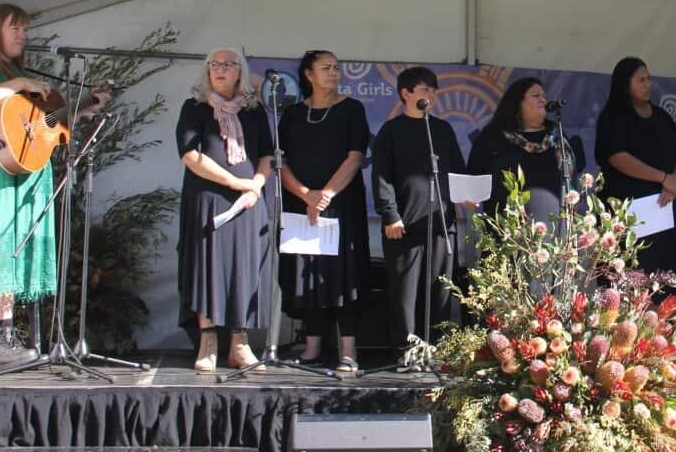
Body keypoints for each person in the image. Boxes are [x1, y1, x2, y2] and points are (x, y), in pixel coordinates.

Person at [0, 3, 109, 372]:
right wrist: (19, 84)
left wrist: (83, 109)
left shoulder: (16, 72)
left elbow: (40, 125)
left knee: (8, 251)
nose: (22, 35)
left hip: (17, 175)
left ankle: (5, 334)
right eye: (14, 27)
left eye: (24, 28)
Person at [176, 47, 273, 373]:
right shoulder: (194, 108)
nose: (219, 70)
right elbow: (191, 156)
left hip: (248, 202)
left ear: (239, 72)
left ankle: (240, 344)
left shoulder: (254, 110)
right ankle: (208, 341)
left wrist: (256, 184)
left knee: (244, 268)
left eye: (227, 65)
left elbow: (268, 155)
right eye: (213, 65)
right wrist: (236, 183)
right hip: (209, 199)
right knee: (208, 267)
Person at [278, 50, 371, 374]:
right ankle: (312, 345)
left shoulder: (352, 109)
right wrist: (306, 195)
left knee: (343, 273)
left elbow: (355, 157)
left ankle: (348, 350)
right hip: (301, 204)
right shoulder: (291, 115)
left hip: (341, 203)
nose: (334, 73)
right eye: (326, 68)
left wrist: (326, 194)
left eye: (336, 67)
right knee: (306, 270)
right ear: (308, 75)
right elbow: (281, 163)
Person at [372, 66, 467, 363]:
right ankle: (406, 349)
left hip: (439, 222)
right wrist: (390, 214)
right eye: (424, 89)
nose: (431, 95)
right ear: (406, 94)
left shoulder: (441, 129)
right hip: (404, 223)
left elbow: (457, 169)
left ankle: (438, 348)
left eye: (433, 90)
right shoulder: (391, 130)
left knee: (440, 287)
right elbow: (381, 175)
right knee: (405, 291)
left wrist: (467, 195)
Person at [595, 57, 676, 284]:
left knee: (670, 273)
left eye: (648, 79)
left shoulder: (662, 117)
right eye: (640, 80)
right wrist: (663, 178)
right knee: (636, 274)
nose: (647, 85)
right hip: (633, 212)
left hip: (667, 209)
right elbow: (618, 158)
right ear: (625, 83)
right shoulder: (614, 118)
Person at [467, 77, 586, 223]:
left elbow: (571, 176)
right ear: (518, 103)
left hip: (553, 227)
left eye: (544, 96)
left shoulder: (557, 135)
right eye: (536, 96)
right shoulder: (493, 136)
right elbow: (473, 175)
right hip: (506, 228)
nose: (543, 100)